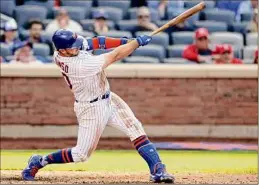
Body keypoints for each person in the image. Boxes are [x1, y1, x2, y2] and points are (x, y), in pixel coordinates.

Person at [21, 29, 175, 183]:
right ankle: (40, 161)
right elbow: (115, 55)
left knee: (135, 128)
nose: (77, 47)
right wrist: (136, 43)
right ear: (62, 51)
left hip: (109, 98)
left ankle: (157, 169)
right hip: (91, 109)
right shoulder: (79, 65)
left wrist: (125, 41)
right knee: (81, 154)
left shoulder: (67, 50)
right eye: (73, 46)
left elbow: (96, 42)